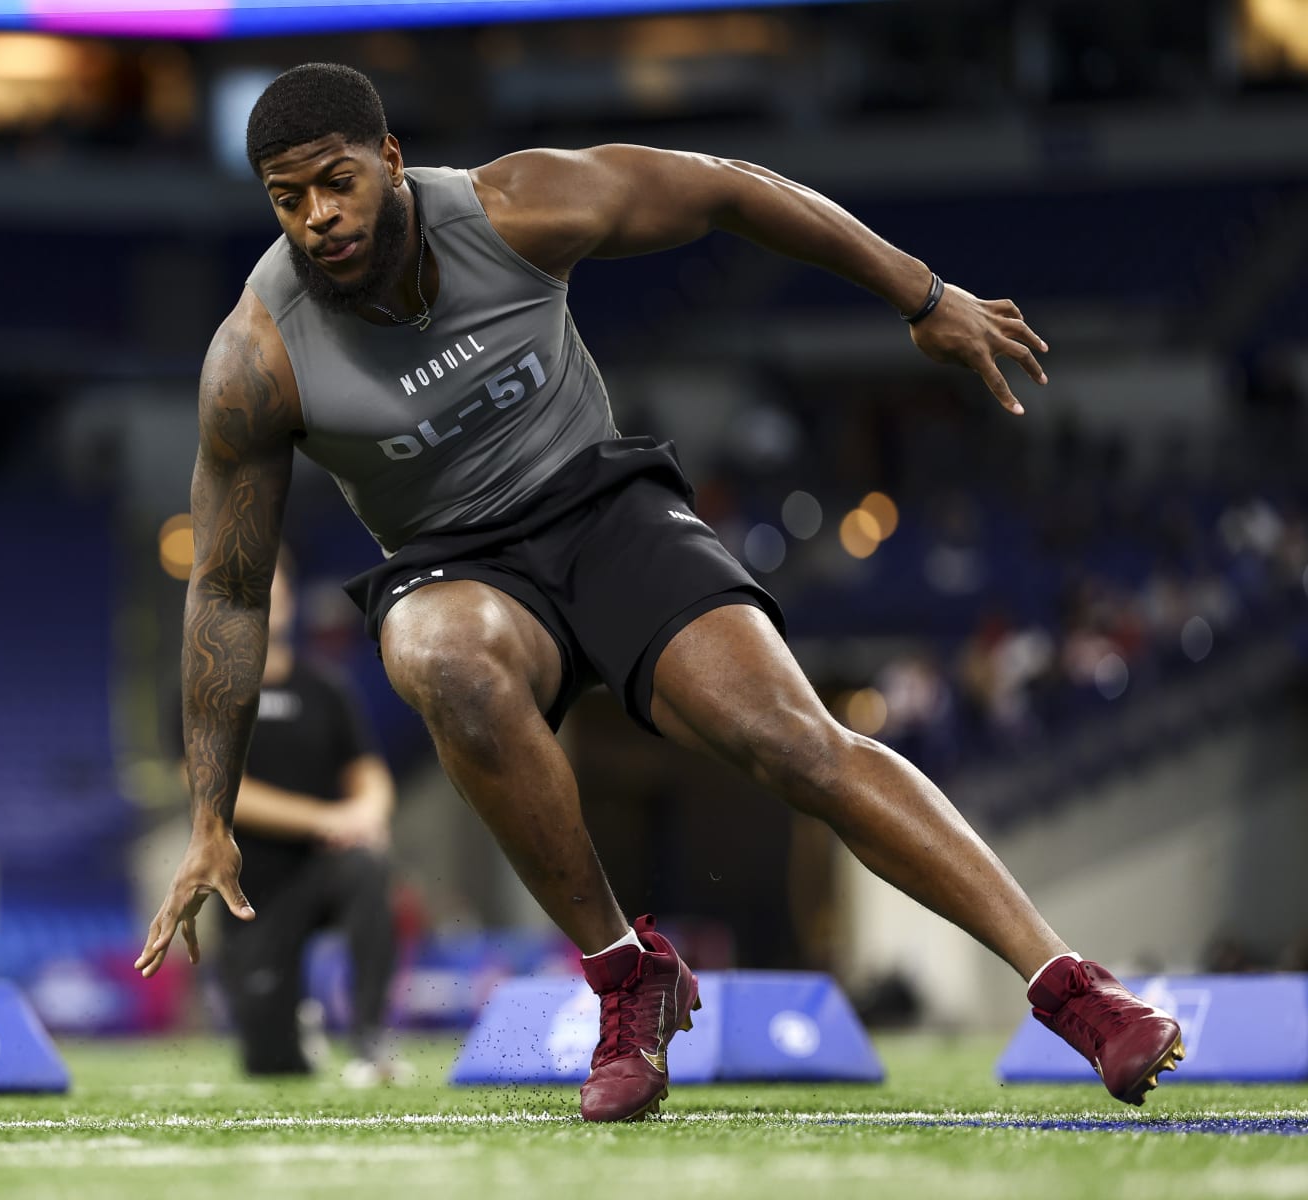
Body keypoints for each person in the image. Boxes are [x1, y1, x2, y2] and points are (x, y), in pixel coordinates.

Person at [135, 63, 1182, 1121]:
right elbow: (226, 588)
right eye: (288, 198)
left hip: (604, 512)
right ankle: (628, 977)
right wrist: (209, 814)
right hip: (453, 562)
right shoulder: (256, 356)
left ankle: (1074, 992)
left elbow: (728, 185)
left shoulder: (518, 207)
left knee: (794, 743)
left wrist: (922, 294)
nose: (318, 217)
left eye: (336, 181)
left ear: (391, 160)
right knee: (437, 656)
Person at [166, 555, 399, 1081]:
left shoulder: (327, 688)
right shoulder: (200, 688)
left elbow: (370, 775)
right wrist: (328, 819)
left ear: (289, 599)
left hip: (325, 870)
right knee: (272, 1065)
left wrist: (366, 814)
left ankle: (371, 1041)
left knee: (367, 866)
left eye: (272, 588)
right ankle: (296, 1026)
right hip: (249, 895)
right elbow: (212, 789)